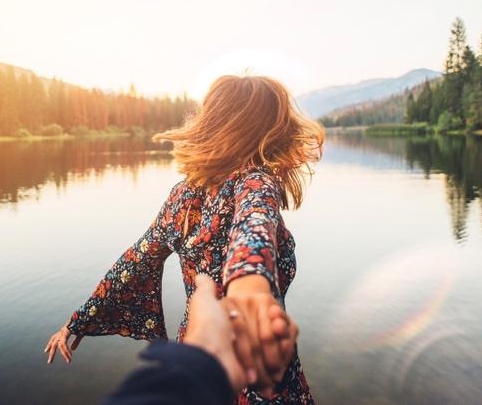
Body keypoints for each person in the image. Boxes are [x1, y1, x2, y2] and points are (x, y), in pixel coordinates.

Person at [45, 75, 324, 404]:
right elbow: (253, 227)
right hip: (256, 366)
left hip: (195, 358)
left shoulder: (183, 195)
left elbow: (134, 262)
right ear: (267, 129)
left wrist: (77, 321)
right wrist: (250, 289)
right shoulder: (256, 182)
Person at [100, 273, 299, 405]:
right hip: (247, 349)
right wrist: (247, 293)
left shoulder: (174, 213)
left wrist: (203, 356)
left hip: (198, 341)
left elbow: (134, 263)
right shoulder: (175, 214)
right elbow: (136, 261)